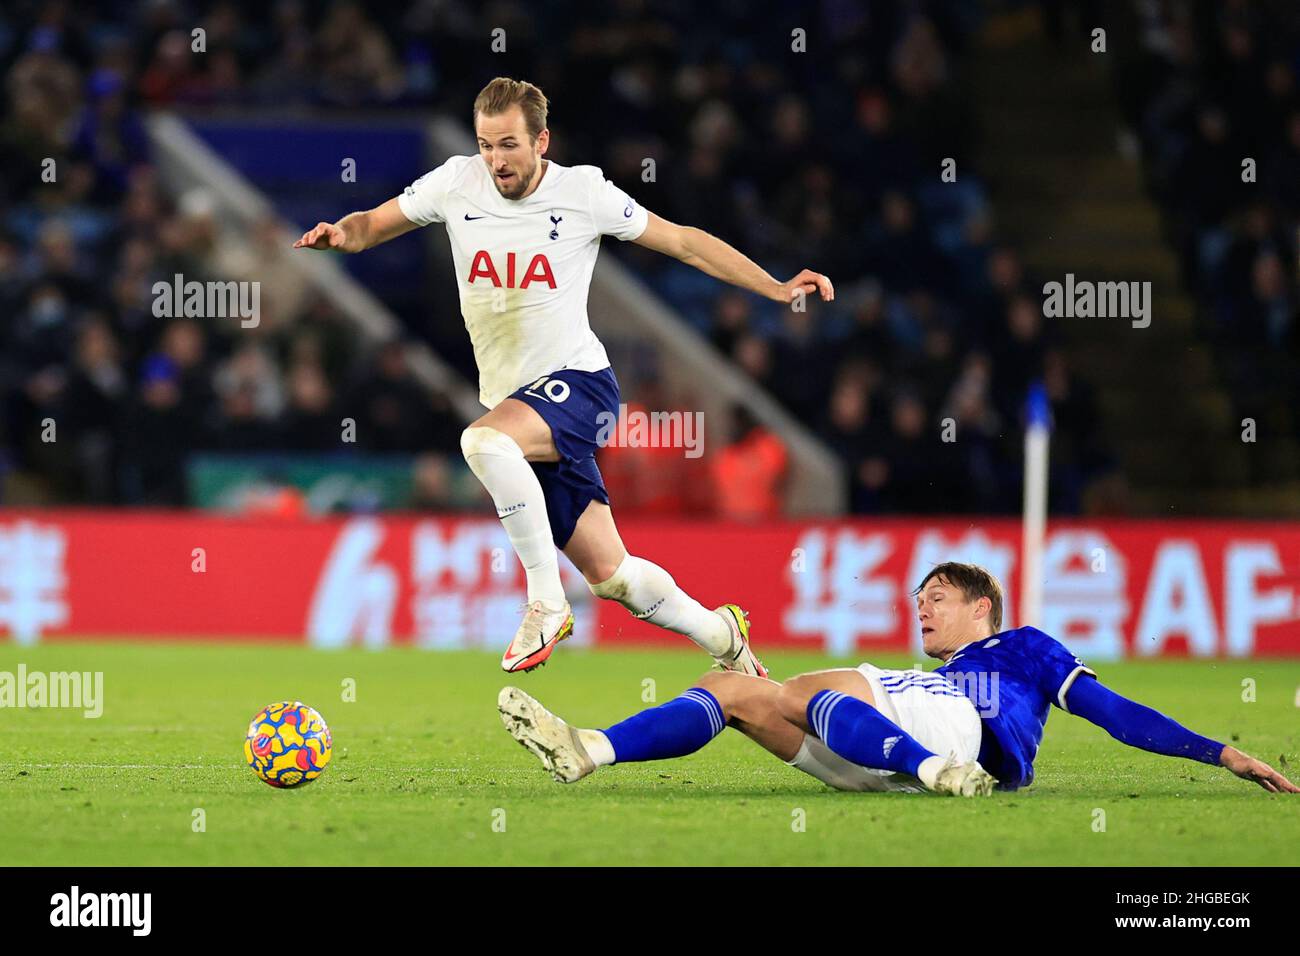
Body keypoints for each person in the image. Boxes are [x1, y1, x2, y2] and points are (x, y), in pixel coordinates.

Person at [295, 76, 834, 673]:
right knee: (614, 577)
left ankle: (546, 603)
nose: (495, 160)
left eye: (508, 145)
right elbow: (374, 223)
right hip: (523, 406)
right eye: (485, 145)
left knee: (483, 440)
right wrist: (343, 233)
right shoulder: (455, 181)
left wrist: (776, 287)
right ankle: (724, 637)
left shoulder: (584, 193)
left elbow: (683, 243)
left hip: (581, 386)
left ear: (541, 141)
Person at [499, 562, 1298, 797]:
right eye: (918, 601)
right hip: (893, 760)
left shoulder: (1019, 649)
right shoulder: (931, 673)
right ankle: (588, 750)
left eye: (939, 601)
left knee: (813, 688)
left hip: (965, 736)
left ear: (983, 608)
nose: (923, 611)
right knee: (737, 690)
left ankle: (935, 772)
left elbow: (1115, 711)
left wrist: (1217, 754)